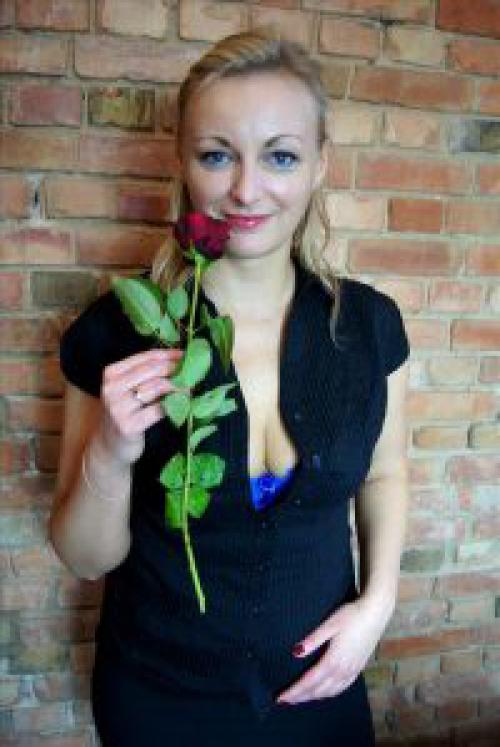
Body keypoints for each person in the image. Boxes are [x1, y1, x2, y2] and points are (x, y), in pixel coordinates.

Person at [49, 30, 410, 747]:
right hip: (159, 698)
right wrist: (111, 453)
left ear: (320, 164)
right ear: (182, 162)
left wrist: (377, 607)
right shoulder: (116, 332)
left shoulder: (369, 327)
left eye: (280, 156)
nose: (246, 189)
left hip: (322, 686)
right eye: (217, 155)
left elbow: (385, 473)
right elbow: (85, 557)